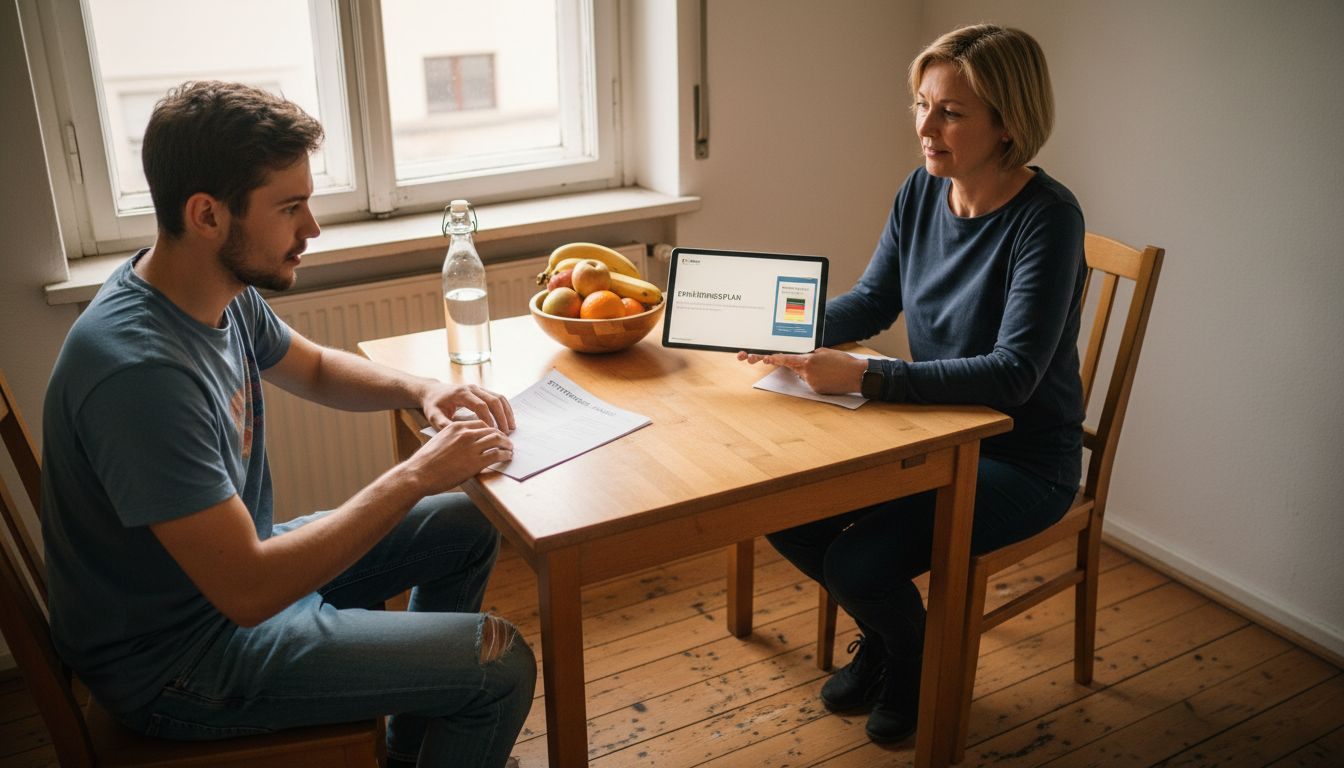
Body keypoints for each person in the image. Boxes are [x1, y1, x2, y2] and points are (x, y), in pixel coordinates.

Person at [41, 81, 534, 768]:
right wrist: (418, 473)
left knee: (469, 522)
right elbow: (249, 591)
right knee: (501, 664)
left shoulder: (214, 292)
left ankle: (410, 754)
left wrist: (425, 390)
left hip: (233, 594)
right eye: (291, 207)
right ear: (207, 214)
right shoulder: (137, 373)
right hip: (181, 663)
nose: (312, 229)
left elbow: (315, 368)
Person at [740, 25, 1086, 744]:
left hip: (1024, 459)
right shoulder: (923, 191)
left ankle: (914, 658)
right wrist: (785, 329)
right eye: (921, 105)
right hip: (936, 434)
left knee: (857, 562)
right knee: (781, 512)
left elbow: (1015, 374)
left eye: (952, 112)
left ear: (1009, 124)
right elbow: (872, 302)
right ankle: (895, 641)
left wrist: (869, 373)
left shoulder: (1048, 221)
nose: (926, 128)